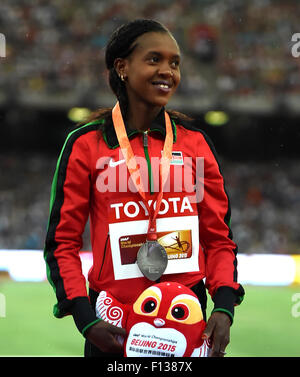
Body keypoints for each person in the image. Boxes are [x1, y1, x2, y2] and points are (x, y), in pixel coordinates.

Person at [44, 19, 245, 358]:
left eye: (175, 63)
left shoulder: (196, 144)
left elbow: (218, 238)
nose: (168, 70)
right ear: (121, 67)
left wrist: (224, 306)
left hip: (186, 323)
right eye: (154, 59)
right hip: (112, 325)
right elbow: (62, 242)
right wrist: (84, 317)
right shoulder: (86, 144)